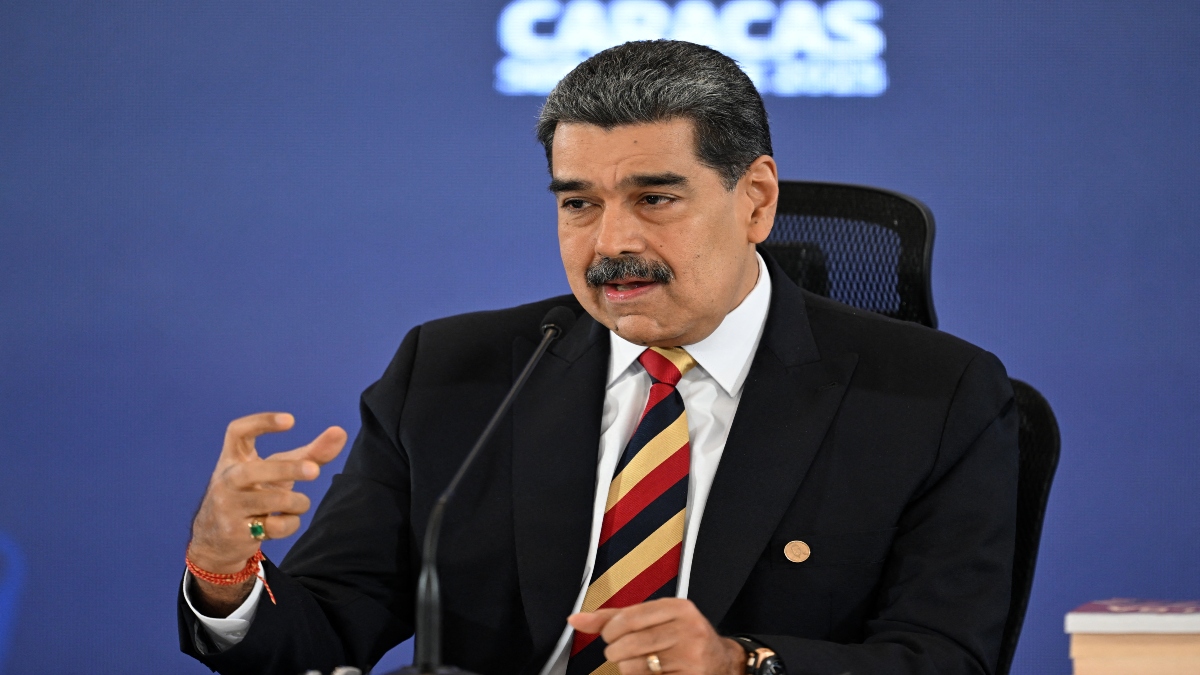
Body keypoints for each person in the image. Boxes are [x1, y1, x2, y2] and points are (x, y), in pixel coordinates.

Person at [179, 40, 1018, 675]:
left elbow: (946, 657)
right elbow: (319, 634)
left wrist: (741, 661)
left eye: (655, 198)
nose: (612, 242)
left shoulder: (932, 397)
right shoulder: (451, 375)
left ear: (755, 198)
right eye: (580, 203)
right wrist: (228, 563)